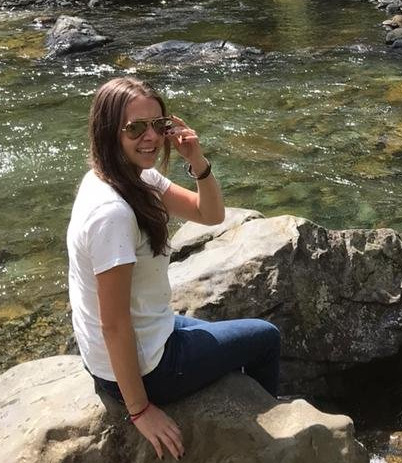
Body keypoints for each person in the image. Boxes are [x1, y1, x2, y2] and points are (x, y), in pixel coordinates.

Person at [67, 77, 281, 461]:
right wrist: (140, 410)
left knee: (221, 332)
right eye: (135, 128)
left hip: (145, 336)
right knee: (266, 337)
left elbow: (210, 214)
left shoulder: (130, 177)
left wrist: (197, 161)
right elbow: (113, 324)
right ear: (108, 131)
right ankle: (263, 445)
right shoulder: (111, 213)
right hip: (147, 370)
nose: (151, 137)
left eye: (159, 125)